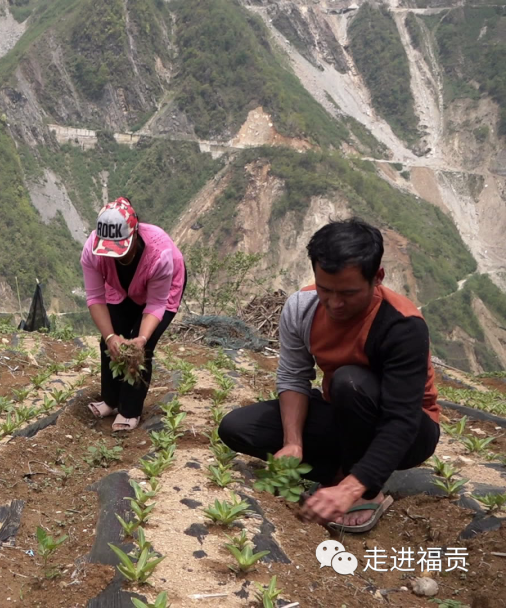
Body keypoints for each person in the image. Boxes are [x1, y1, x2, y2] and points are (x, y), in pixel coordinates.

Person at [218, 218, 440, 534]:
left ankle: (366, 490)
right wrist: (292, 442)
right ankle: (344, 470)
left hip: (410, 431)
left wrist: (351, 488)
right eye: (325, 289)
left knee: (349, 381)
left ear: (377, 278)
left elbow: (400, 421)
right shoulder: (301, 308)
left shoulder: (402, 327)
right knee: (238, 428)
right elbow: (294, 376)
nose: (335, 303)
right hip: (345, 413)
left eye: (348, 293)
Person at [81, 197, 186, 431]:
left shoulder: (160, 253)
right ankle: (110, 400)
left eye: (120, 248)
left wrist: (142, 338)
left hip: (162, 289)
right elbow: (96, 298)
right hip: (120, 287)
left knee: (140, 348)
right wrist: (110, 337)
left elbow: (156, 303)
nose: (114, 255)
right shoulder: (93, 250)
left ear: (134, 234)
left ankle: (130, 409)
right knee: (110, 340)